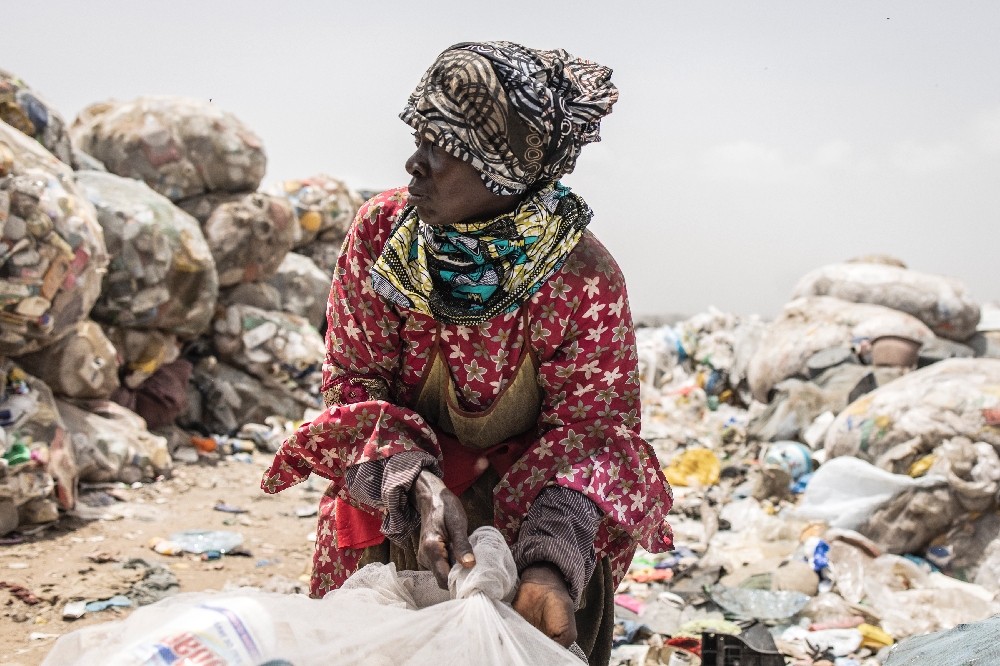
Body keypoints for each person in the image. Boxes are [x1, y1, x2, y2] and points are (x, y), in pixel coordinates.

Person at [262, 41, 673, 665]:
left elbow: (595, 437)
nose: (414, 163)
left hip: (528, 529)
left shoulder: (582, 278)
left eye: (442, 145)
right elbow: (352, 387)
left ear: (505, 169)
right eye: (418, 135)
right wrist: (417, 485)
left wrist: (546, 568)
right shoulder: (385, 236)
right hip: (400, 511)